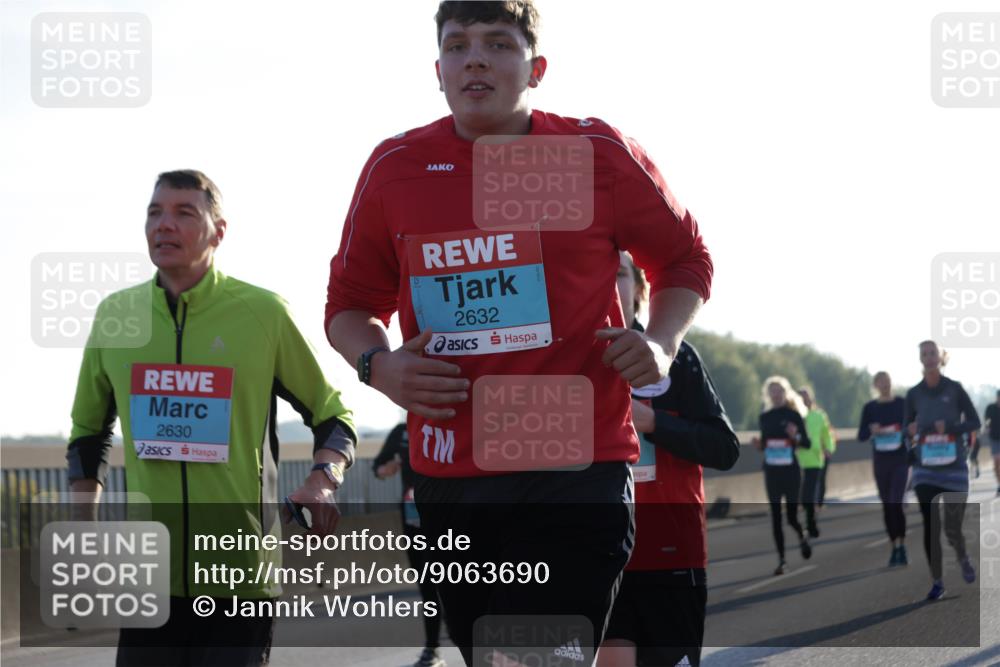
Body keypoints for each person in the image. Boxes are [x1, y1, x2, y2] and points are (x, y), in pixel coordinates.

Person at [324, 1, 714, 663]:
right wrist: (377, 365)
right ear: (438, 70)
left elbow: (684, 260)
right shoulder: (395, 167)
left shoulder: (593, 153)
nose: (475, 57)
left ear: (535, 68)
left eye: (498, 44)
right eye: (458, 44)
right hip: (451, 477)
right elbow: (349, 306)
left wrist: (660, 342)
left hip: (576, 466)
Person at [67, 170, 357, 667]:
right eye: (155, 212)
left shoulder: (263, 313)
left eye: (184, 213)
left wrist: (324, 478)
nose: (164, 225)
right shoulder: (117, 315)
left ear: (218, 232)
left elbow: (332, 414)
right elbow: (88, 436)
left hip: (239, 571)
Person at [598, 253, 738, 667]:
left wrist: (653, 422)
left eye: (620, 275)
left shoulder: (679, 359)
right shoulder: (566, 366)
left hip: (671, 557)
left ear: (641, 290)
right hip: (597, 557)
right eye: (599, 273)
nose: (608, 284)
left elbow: (724, 447)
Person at [904, 340, 981, 601]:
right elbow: (906, 428)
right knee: (930, 525)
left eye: (932, 352)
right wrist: (910, 431)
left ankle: (962, 556)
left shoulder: (955, 389)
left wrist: (949, 429)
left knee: (952, 528)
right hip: (925, 468)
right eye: (924, 353)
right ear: (920, 359)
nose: (928, 357)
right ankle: (937, 581)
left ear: (940, 357)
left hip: (954, 468)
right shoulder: (914, 394)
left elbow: (975, 421)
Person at [373, 422, 448, 667]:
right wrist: (388, 468)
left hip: (451, 512)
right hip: (413, 515)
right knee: (427, 584)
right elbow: (379, 467)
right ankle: (432, 648)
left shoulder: (453, 420)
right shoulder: (402, 431)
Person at [752, 377, 813, 575]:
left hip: (791, 472)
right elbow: (765, 443)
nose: (776, 394)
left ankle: (802, 534)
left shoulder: (794, 415)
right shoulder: (765, 417)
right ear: (767, 394)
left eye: (779, 391)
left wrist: (795, 435)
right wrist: (759, 445)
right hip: (772, 471)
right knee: (776, 517)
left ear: (786, 393)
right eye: (772, 391)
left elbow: (807, 443)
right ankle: (782, 560)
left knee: (792, 516)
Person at [857, 371, 910, 566]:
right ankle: (893, 546)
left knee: (896, 502)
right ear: (875, 385)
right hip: (881, 460)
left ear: (891, 382)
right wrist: (871, 430)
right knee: (887, 506)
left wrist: (904, 431)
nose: (885, 384)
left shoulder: (902, 403)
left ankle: (902, 545)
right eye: (881, 382)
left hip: (900, 459)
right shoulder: (870, 408)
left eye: (887, 381)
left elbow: (913, 426)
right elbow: (861, 435)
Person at [796, 387, 835, 537]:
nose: (804, 400)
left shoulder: (819, 415)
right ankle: (809, 520)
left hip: (815, 458)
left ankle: (811, 524)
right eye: (801, 398)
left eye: (806, 397)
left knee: (810, 494)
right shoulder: (794, 416)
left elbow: (827, 434)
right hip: (797, 459)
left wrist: (829, 448)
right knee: (802, 495)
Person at [984, 391, 1000, 495]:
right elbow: (986, 420)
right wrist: (987, 427)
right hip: (994, 438)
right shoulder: (990, 407)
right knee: (997, 463)